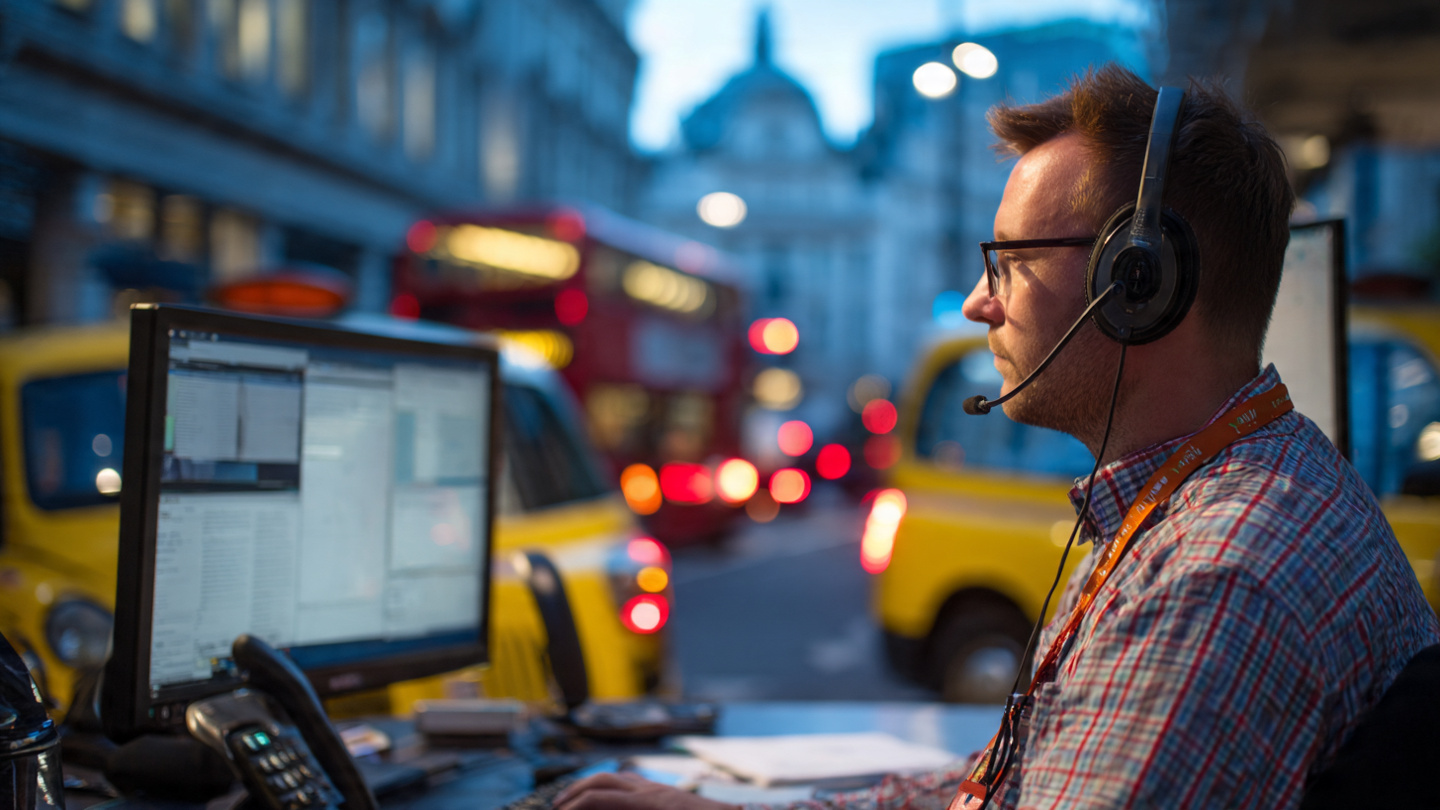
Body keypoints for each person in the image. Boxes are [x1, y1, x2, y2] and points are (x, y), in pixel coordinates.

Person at [554, 64, 1440, 810]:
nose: (980, 303)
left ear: (1140, 281)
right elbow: (1014, 783)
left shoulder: (1220, 576)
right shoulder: (1206, 498)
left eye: (1010, 264)